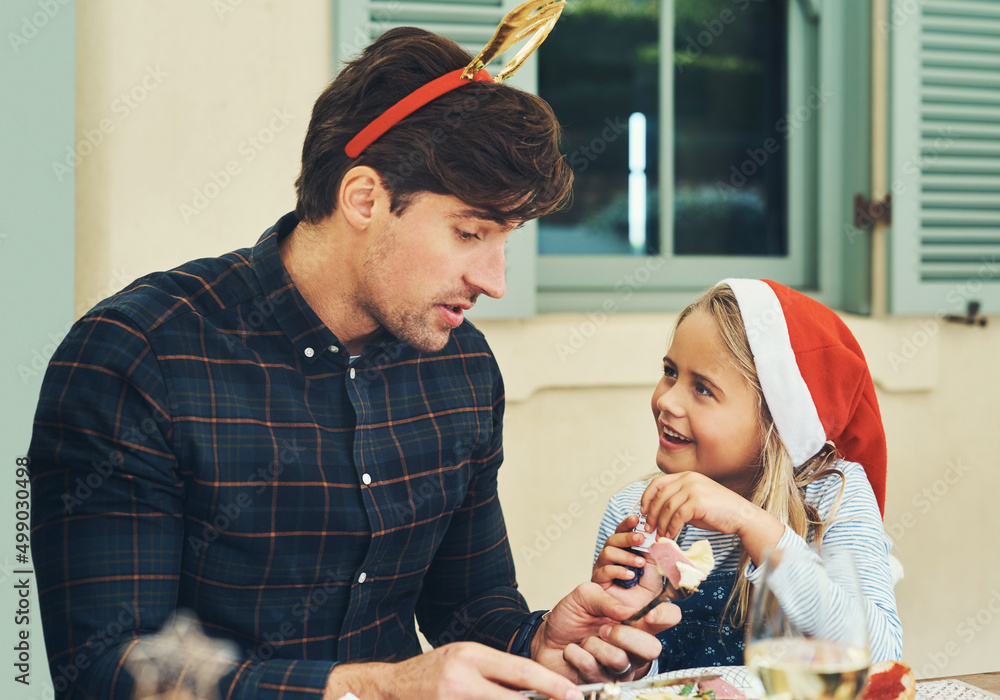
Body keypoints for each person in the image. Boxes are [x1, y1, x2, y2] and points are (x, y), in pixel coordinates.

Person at [28, 27, 676, 700]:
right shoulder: (138, 356)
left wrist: (539, 644)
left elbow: (470, 609)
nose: (495, 280)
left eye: (505, 239)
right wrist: (374, 688)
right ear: (364, 198)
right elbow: (108, 671)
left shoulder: (463, 367)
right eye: (469, 233)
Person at [587, 279, 903, 675]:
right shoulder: (634, 510)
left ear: (776, 421)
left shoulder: (832, 496)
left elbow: (880, 656)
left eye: (702, 388)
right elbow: (625, 681)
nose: (667, 400)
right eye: (670, 372)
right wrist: (622, 626)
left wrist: (749, 522)